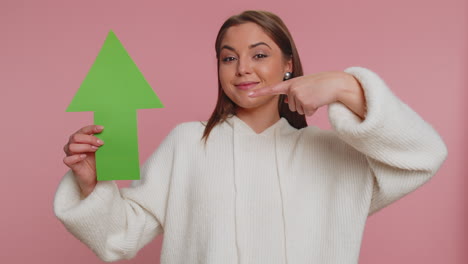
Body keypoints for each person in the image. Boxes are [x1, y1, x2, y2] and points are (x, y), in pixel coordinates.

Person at [54, 10, 448, 264]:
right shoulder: (188, 144)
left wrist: (346, 87)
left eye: (259, 55)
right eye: (229, 57)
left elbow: (423, 154)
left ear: (288, 65)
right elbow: (117, 237)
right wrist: (90, 184)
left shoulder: (337, 153)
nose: (243, 69)